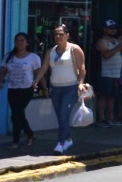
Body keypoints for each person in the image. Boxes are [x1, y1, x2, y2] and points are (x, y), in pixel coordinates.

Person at [33, 25, 89, 153]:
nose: (58, 37)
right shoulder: (51, 51)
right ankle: (68, 138)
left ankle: (60, 143)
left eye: (61, 34)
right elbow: (44, 68)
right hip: (55, 89)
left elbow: (82, 68)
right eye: (56, 34)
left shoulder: (74, 49)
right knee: (60, 117)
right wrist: (36, 81)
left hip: (70, 88)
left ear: (67, 35)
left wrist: (80, 83)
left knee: (63, 115)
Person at [0, 32, 41, 150]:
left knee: (17, 114)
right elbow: (3, 71)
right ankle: (31, 134)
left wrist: (44, 89)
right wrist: (0, 81)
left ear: (27, 43)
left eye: (22, 40)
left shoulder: (33, 57)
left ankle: (15, 142)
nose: (19, 43)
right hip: (13, 89)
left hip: (27, 89)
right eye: (17, 40)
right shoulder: (9, 57)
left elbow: (39, 74)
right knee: (17, 115)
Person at [96, 20, 122, 127]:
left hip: (116, 75)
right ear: (105, 29)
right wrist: (119, 47)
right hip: (105, 74)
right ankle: (101, 118)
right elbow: (106, 55)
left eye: (114, 28)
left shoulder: (117, 41)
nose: (113, 30)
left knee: (112, 97)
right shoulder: (102, 41)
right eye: (110, 28)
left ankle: (111, 117)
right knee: (104, 96)